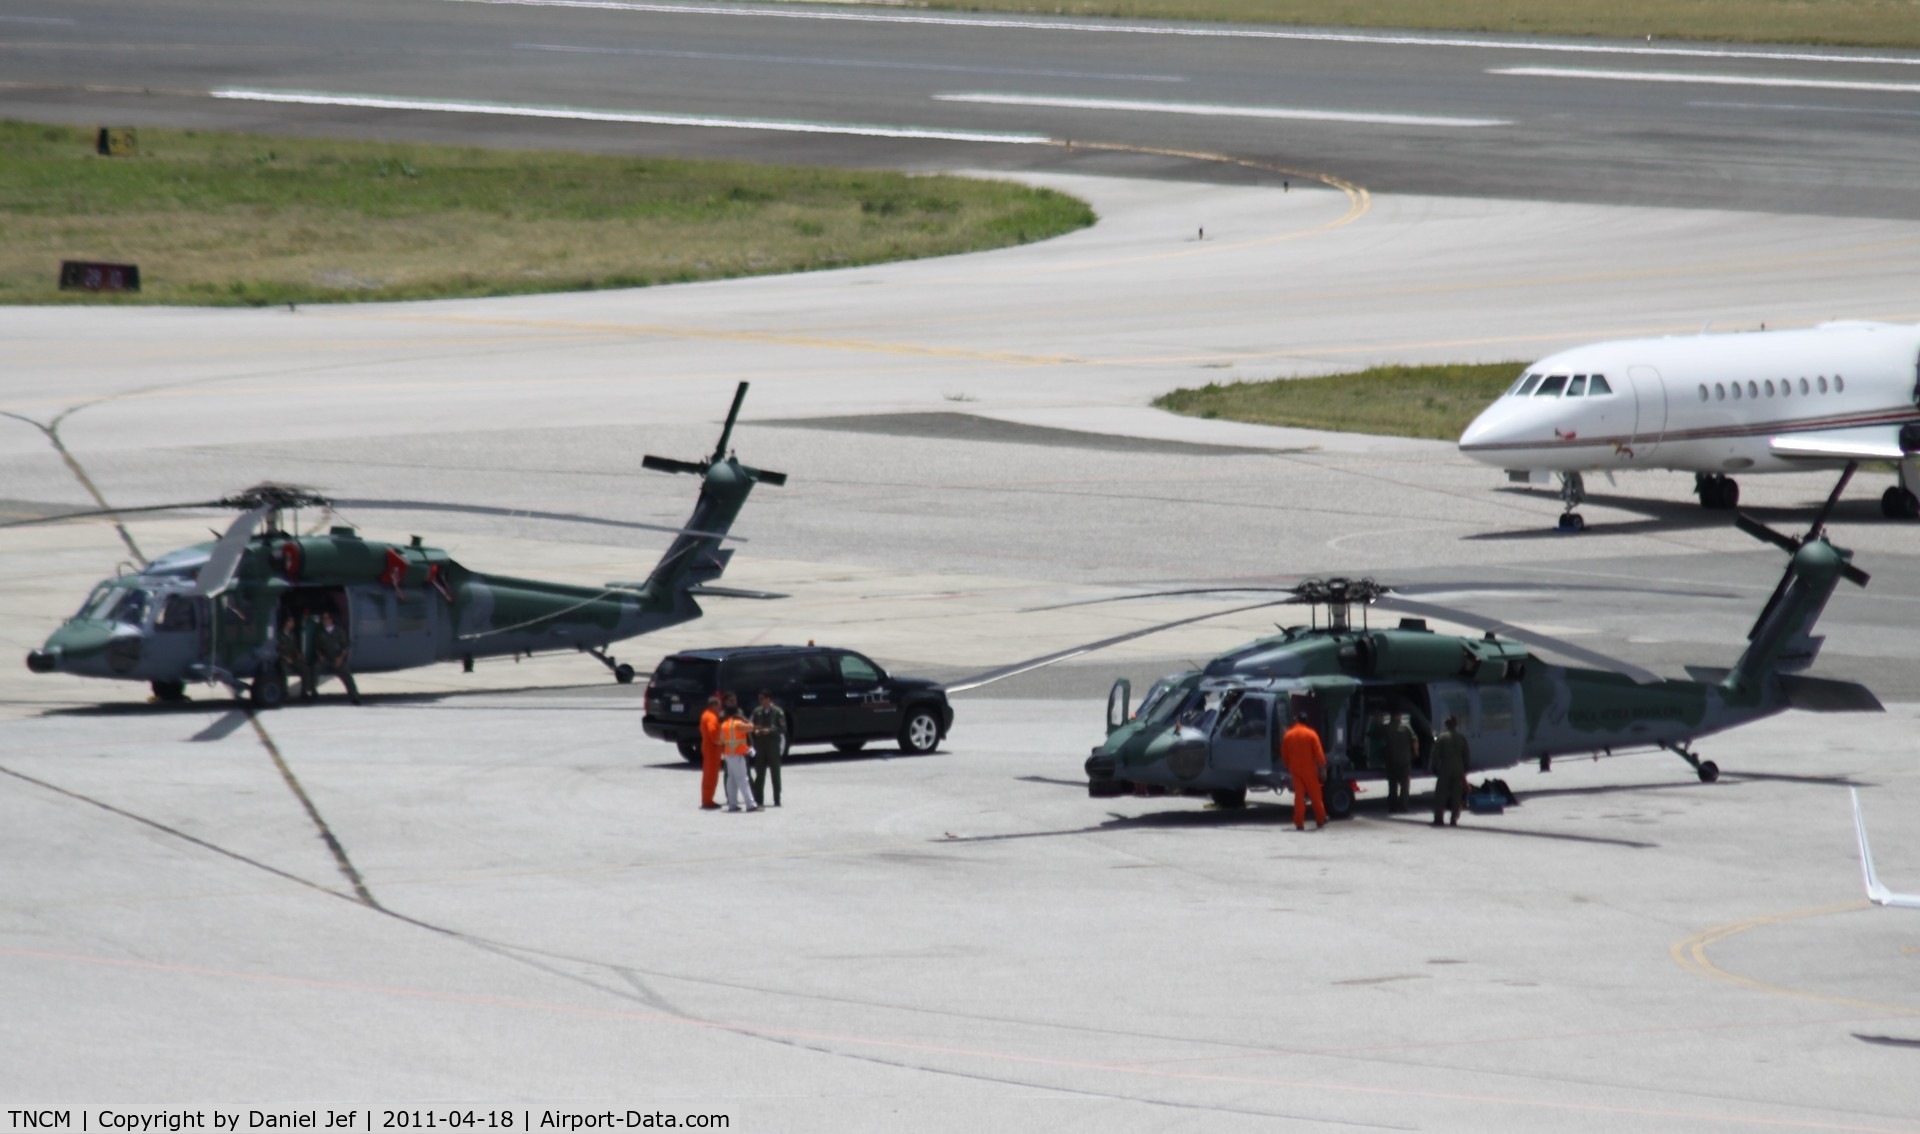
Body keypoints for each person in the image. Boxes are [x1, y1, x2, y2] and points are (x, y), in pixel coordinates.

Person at [1279, 706, 1327, 830]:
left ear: (1297, 720)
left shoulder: (1288, 735)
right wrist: (1322, 767)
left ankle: (1299, 822)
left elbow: (1284, 753)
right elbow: (1319, 753)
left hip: (1295, 769)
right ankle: (1320, 819)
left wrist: (1287, 765)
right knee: (1315, 795)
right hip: (1309, 769)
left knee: (1299, 797)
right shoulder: (1311, 734)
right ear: (1306, 722)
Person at [311, 608, 359, 705]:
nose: (324, 621)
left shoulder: (339, 632)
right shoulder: (320, 633)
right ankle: (313, 693)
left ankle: (354, 697)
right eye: (323, 619)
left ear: (331, 619)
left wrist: (340, 659)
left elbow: (345, 647)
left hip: (337, 659)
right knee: (315, 669)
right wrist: (320, 656)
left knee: (347, 675)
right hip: (325, 659)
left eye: (326, 618)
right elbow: (317, 647)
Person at [1431, 715, 1472, 827]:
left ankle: (1438, 818)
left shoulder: (1442, 737)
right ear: (1456, 725)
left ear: (1446, 724)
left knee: (1441, 793)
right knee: (1456, 794)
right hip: (1458, 768)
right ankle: (1454, 819)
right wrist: (1465, 768)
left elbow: (1436, 755)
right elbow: (1467, 755)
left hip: (1445, 767)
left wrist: (1434, 767)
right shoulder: (1461, 738)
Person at [750, 690, 787, 807]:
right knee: (759, 773)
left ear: (768, 699)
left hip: (772, 746)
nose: (760, 701)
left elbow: (782, 728)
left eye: (762, 699)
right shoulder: (757, 712)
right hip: (760, 746)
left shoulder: (777, 712)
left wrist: (770, 730)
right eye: (759, 699)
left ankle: (777, 799)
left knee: (775, 773)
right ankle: (758, 799)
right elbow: (751, 724)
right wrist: (755, 730)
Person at [719, 705, 759, 812]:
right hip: (737, 755)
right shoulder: (738, 724)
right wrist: (744, 719)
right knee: (743, 779)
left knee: (731, 780)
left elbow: (722, 740)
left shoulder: (724, 725)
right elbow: (751, 727)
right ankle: (750, 804)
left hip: (728, 754)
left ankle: (732, 804)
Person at [1384, 712, 1419, 813]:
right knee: (1404, 785)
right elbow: (1415, 740)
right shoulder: (1406, 727)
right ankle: (1403, 807)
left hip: (1391, 760)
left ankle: (1392, 807)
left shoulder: (1387, 727)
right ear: (1399, 716)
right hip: (1405, 761)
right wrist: (1416, 753)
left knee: (1392, 785)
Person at [277, 614, 311, 701]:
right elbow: (276, 650)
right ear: (286, 623)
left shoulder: (292, 635)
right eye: (291, 621)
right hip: (282, 660)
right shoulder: (279, 636)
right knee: (283, 670)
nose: (293, 623)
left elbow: (295, 647)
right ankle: (284, 693)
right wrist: (285, 658)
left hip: (293, 659)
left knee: (305, 669)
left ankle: (304, 692)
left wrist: (298, 654)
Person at [698, 694, 723, 810]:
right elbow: (712, 731)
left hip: (708, 747)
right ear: (714, 705)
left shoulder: (705, 715)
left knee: (708, 774)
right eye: (719, 706)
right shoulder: (711, 717)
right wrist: (720, 741)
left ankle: (706, 798)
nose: (720, 709)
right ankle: (708, 800)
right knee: (711, 775)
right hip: (712, 749)